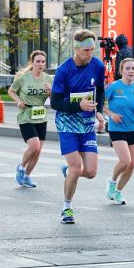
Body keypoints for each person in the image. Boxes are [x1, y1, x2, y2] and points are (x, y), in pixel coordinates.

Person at [50, 29, 106, 224]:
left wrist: (98, 110)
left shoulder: (98, 66)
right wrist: (78, 105)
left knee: (90, 172)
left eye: (92, 50)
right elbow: (55, 102)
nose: (90, 54)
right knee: (76, 168)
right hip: (67, 125)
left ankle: (69, 173)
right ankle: (67, 208)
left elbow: (99, 90)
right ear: (76, 49)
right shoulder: (64, 70)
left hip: (88, 124)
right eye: (86, 51)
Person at [103, 58, 134, 205]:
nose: (131, 71)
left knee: (132, 164)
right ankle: (112, 181)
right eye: (127, 68)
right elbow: (100, 104)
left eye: (133, 68)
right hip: (117, 129)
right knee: (125, 161)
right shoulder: (113, 87)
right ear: (121, 71)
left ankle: (118, 192)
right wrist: (111, 114)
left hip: (133, 128)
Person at [7, 50, 53, 188]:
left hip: (40, 115)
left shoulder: (49, 79)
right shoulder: (23, 78)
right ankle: (21, 167)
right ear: (32, 63)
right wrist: (18, 101)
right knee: (34, 145)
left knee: (38, 150)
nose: (40, 64)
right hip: (26, 114)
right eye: (38, 61)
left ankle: (27, 176)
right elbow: (11, 91)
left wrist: (51, 91)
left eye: (43, 62)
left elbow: (53, 99)